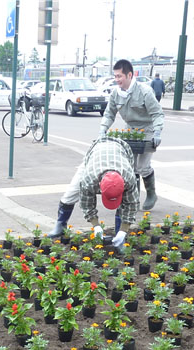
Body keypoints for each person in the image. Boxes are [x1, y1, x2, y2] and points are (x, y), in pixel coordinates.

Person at [48, 59, 163, 237]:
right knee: (126, 171)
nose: (117, 79)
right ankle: (61, 224)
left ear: (129, 75)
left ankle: (150, 194)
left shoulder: (144, 92)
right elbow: (109, 113)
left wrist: (157, 133)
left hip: (147, 130)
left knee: (141, 167)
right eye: (115, 76)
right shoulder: (117, 93)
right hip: (130, 129)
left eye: (119, 76)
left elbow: (157, 113)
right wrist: (103, 130)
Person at [54, 136, 139, 248]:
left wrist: (123, 231)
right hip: (96, 151)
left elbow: (131, 204)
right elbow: (87, 205)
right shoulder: (89, 179)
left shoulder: (129, 178)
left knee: (125, 203)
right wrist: (96, 226)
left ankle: (119, 236)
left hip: (122, 148)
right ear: (99, 187)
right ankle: (60, 226)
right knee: (71, 194)